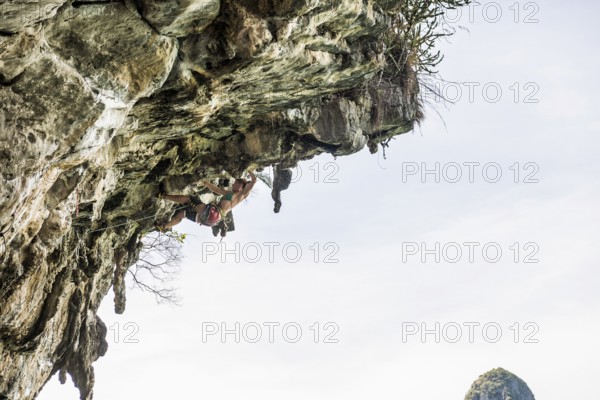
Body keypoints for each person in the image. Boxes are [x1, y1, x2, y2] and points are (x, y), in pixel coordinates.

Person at [155, 171, 257, 231]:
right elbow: (216, 190)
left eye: (238, 182)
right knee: (183, 214)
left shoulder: (240, 195)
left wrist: (248, 170)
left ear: (241, 187)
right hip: (211, 220)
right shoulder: (228, 194)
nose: (234, 182)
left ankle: (163, 196)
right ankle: (163, 227)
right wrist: (206, 183)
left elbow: (253, 180)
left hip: (213, 214)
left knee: (189, 198)